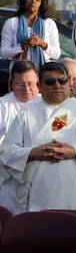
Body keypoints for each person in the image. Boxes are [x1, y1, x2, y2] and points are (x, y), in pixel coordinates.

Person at [0, 61, 76, 214]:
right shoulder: (27, 112)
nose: (57, 85)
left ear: (69, 84)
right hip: (37, 195)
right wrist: (33, 153)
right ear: (40, 86)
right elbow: (5, 151)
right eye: (50, 82)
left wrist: (74, 152)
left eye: (62, 81)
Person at [0, 61, 40, 213]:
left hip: (40, 178)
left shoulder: (47, 104)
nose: (27, 89)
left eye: (30, 83)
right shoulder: (3, 106)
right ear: (12, 84)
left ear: (38, 81)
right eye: (20, 84)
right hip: (10, 179)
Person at [0, 0, 61, 69]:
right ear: (24, 0)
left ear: (41, 4)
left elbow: (57, 54)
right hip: (18, 73)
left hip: (42, 73)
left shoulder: (49, 23)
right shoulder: (12, 23)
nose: (33, 1)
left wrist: (41, 43)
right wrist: (23, 47)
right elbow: (3, 53)